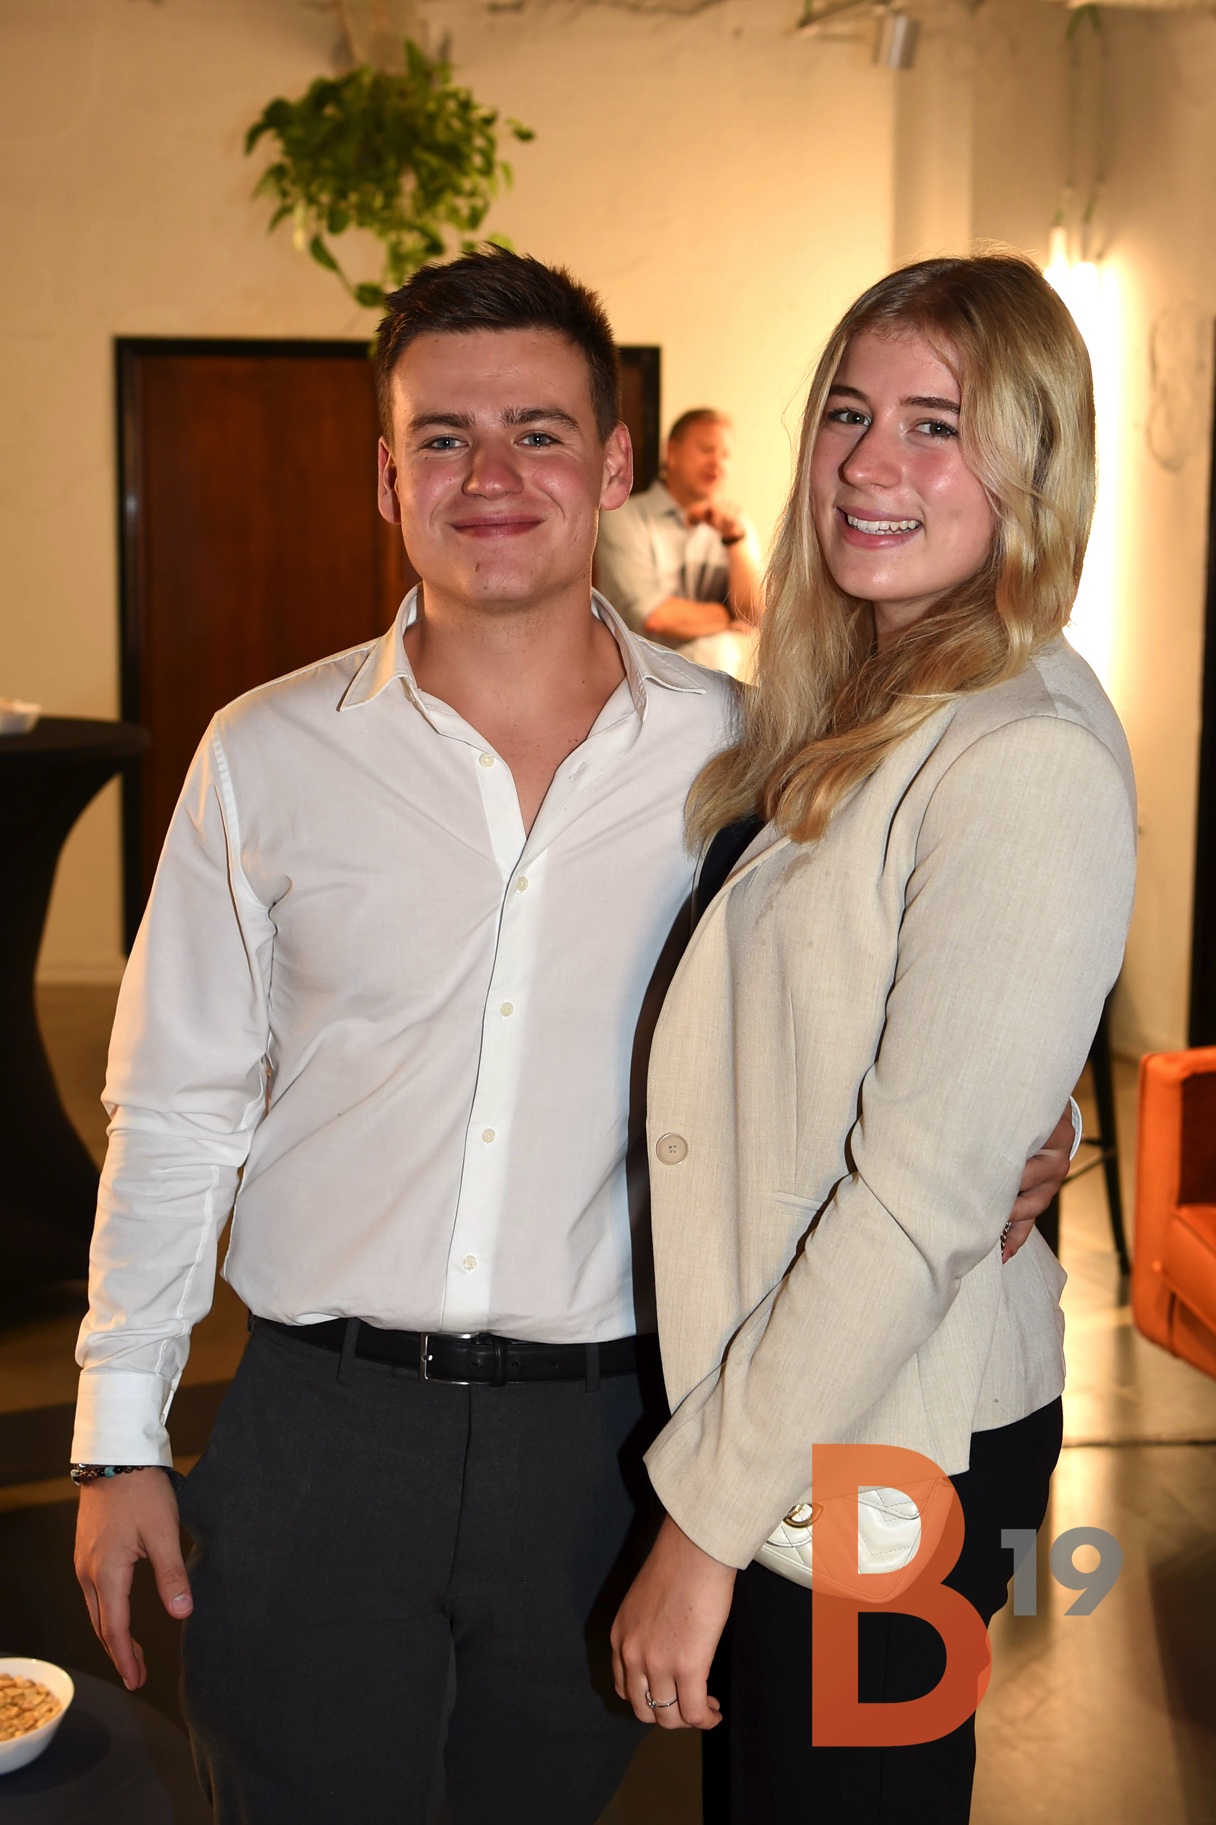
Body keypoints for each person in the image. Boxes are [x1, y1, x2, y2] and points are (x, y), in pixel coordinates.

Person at [70, 248, 1072, 1825]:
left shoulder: (751, 759)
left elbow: (893, 1001)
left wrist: (1038, 1119)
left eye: (537, 432)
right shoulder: (262, 756)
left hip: (608, 1441)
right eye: (444, 437)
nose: (490, 477)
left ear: (612, 466)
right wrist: (118, 1436)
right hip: (321, 1432)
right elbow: (176, 1108)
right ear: (386, 476)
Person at [610, 253, 1137, 1823]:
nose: (864, 463)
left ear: (1036, 462)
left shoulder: (1023, 750)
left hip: (887, 1460)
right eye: (848, 411)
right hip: (824, 1420)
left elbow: (914, 1202)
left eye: (935, 425)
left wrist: (699, 1528)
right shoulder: (877, 691)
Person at [594, 409, 764, 677]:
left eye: (725, 455)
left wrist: (734, 540)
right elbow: (657, 617)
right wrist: (729, 615)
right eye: (707, 449)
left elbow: (754, 614)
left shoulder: (736, 526)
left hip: (725, 688)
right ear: (672, 452)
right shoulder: (625, 517)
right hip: (645, 687)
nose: (717, 463)